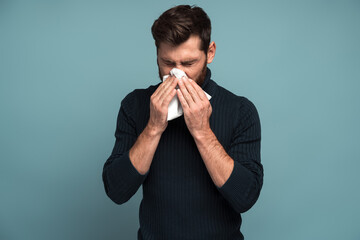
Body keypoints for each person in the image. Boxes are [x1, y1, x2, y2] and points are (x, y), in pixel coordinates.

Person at [102, 5, 263, 240]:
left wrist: (202, 131)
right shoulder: (134, 105)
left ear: (210, 53)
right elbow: (117, 191)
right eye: (168, 63)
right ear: (157, 55)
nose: (178, 75)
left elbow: (245, 197)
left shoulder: (240, 110)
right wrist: (154, 127)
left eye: (189, 64)